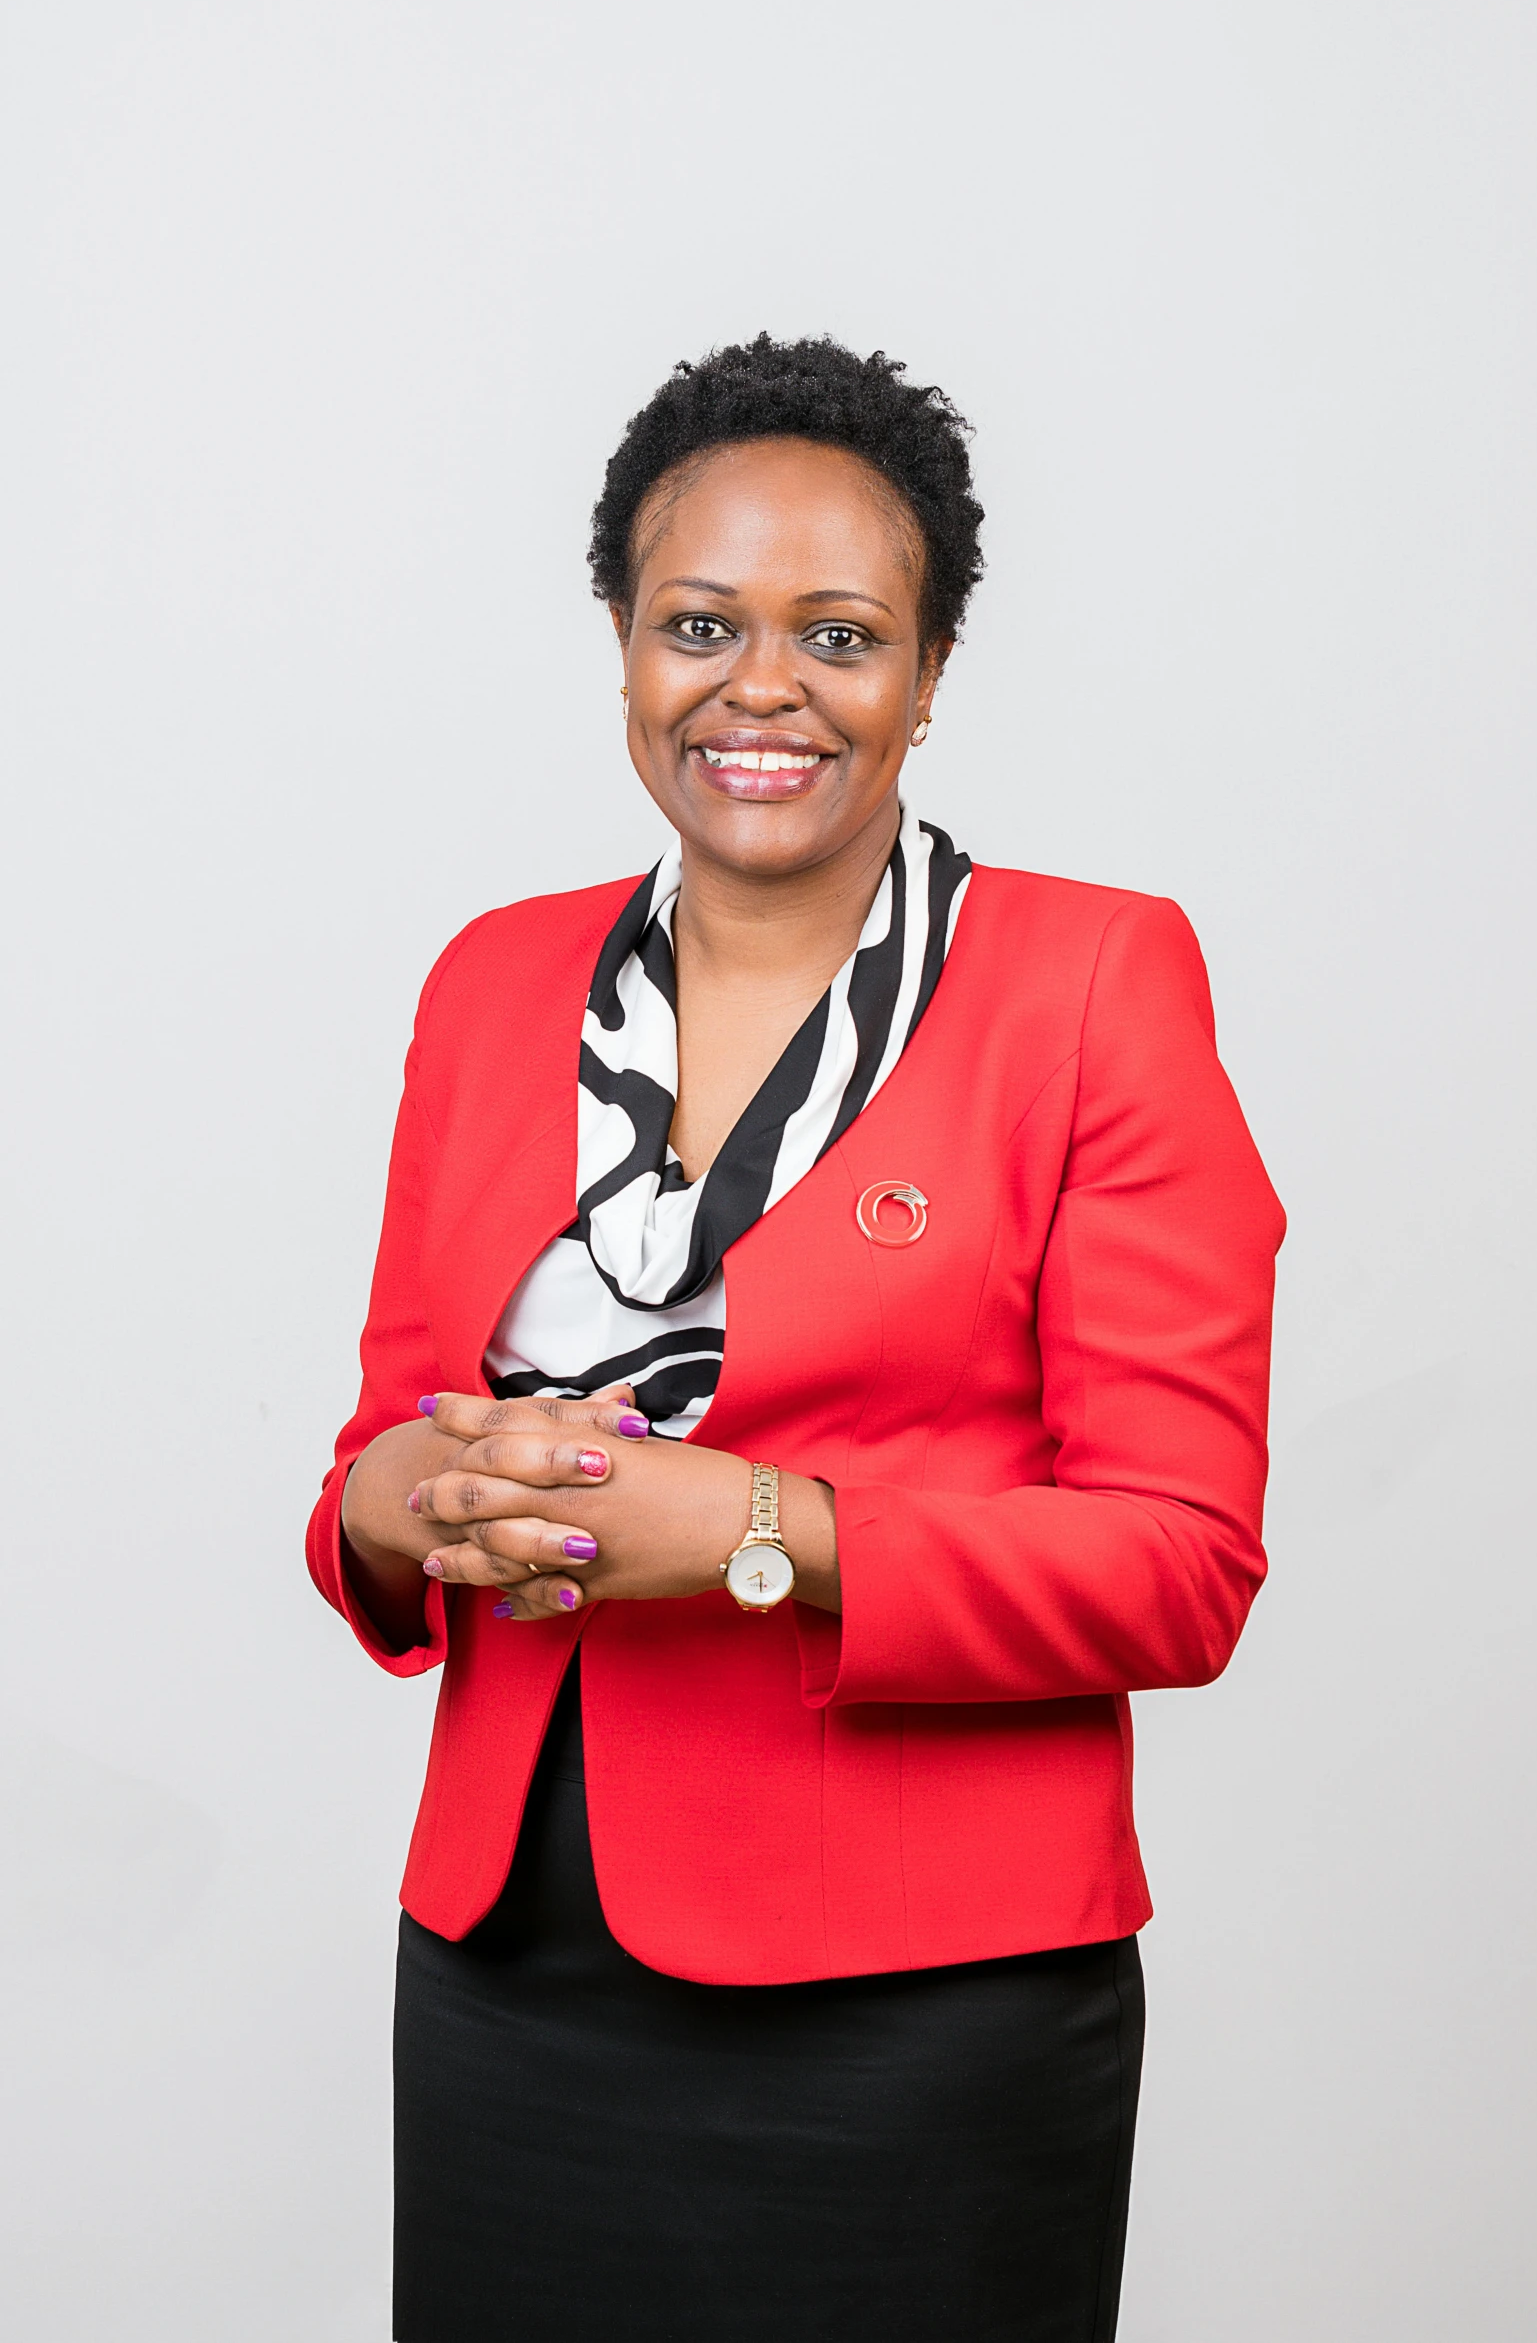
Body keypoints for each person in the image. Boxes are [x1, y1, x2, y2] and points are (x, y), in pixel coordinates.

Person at [307, 333, 1285, 2343]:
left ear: (930, 673)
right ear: (623, 643)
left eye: (841, 633)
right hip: (513, 1961)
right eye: (700, 622)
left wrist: (753, 1523)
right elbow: (383, 1446)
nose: (763, 686)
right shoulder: (494, 980)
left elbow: (1178, 1559)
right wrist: (412, 1496)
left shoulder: (1092, 979)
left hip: (923, 2004)